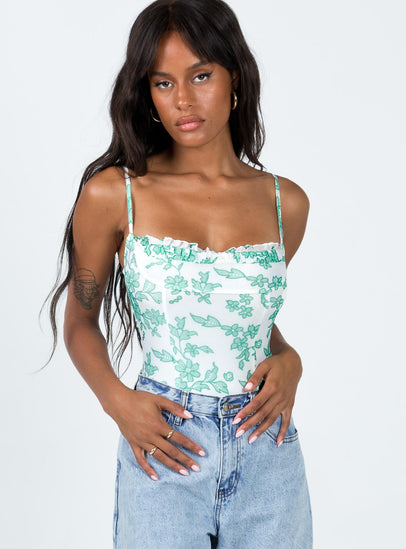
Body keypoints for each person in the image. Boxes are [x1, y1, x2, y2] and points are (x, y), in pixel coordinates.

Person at [44, 0, 313, 546]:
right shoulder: (115, 194)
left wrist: (290, 360)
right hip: (165, 441)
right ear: (146, 93)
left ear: (235, 78)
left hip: (267, 448)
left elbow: (240, 316)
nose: (183, 100)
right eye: (163, 83)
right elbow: (79, 322)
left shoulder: (285, 203)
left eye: (201, 76)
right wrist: (118, 402)